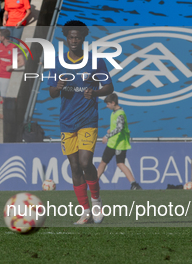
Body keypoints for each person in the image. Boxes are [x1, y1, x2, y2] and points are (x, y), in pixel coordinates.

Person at [47, 20, 114, 225]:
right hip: (67, 122)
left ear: (83, 38)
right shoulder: (57, 62)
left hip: (88, 119)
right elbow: (51, 92)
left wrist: (95, 92)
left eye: (77, 37)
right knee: (75, 167)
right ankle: (85, 212)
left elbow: (109, 87)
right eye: (71, 37)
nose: (74, 40)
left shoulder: (96, 61)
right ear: (66, 39)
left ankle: (96, 202)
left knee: (86, 163)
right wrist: (57, 86)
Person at [97, 93, 142, 190]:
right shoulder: (114, 112)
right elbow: (116, 126)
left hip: (120, 143)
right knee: (103, 162)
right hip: (113, 143)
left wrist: (107, 135)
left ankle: (134, 184)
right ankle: (94, 183)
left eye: (108, 104)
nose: (107, 106)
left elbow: (120, 128)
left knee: (120, 163)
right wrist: (110, 130)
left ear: (113, 103)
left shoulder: (120, 113)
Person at [0, 28, 24, 97]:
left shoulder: (14, 47)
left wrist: (11, 67)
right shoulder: (0, 46)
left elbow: (21, 62)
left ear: (3, 37)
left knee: (4, 99)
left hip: (6, 77)